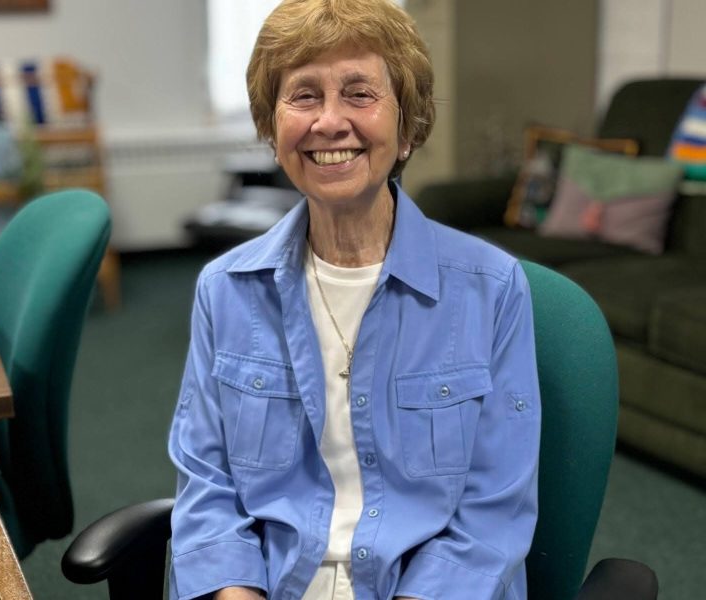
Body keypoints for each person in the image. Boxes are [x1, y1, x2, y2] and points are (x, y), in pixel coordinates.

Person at [168, 0, 541, 598]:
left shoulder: (491, 291)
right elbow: (207, 486)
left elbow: (492, 518)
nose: (329, 123)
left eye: (360, 94)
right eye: (304, 96)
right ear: (271, 126)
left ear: (408, 126)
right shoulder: (225, 289)